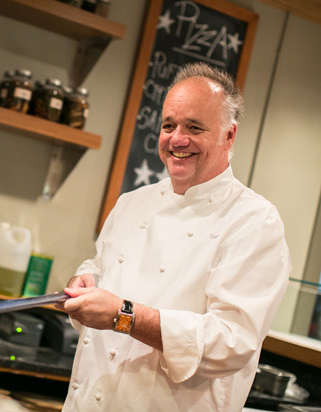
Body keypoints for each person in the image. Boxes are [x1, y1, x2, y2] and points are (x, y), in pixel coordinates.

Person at [56, 62, 291, 412]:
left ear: (230, 135)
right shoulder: (132, 203)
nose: (177, 139)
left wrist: (124, 315)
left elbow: (231, 342)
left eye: (194, 127)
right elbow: (100, 266)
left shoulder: (255, 221)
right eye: (169, 125)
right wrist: (84, 279)